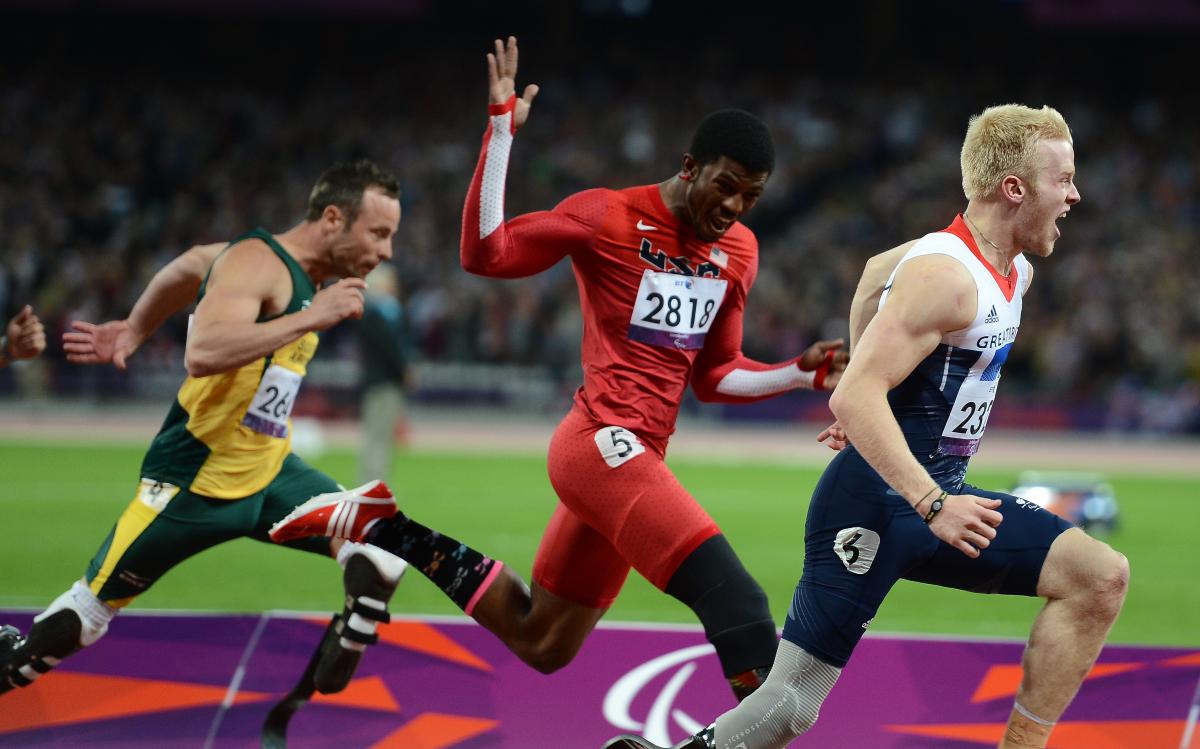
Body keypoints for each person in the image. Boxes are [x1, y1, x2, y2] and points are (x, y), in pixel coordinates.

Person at [270, 36, 847, 704]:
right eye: (724, 186)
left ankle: (388, 534)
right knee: (740, 605)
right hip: (599, 443)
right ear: (689, 167)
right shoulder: (608, 215)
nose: (733, 209)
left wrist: (798, 375)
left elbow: (714, 375)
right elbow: (486, 255)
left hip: (644, 457)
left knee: (542, 640)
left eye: (750, 196)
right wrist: (498, 133)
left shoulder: (739, 251)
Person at [605, 104, 1130, 749]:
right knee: (789, 708)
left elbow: (874, 272)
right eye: (1064, 179)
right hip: (880, 506)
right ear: (1014, 188)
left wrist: (889, 407)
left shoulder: (1008, 266)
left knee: (1098, 577)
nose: (1076, 194)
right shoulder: (947, 277)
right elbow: (852, 395)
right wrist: (924, 490)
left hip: (935, 499)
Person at [0, 160, 410, 701]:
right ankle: (13, 665)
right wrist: (311, 317)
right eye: (378, 233)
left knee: (381, 534)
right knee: (90, 612)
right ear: (333, 219)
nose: (385, 252)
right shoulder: (258, 263)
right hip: (193, 480)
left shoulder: (291, 272)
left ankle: (351, 630)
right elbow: (203, 352)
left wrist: (135, 328)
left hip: (267, 471)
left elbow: (193, 264)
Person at [356, 262, 414, 485]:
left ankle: (374, 483)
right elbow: (391, 349)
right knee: (377, 436)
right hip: (382, 382)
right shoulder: (378, 314)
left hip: (379, 381)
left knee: (379, 436)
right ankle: (372, 484)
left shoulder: (380, 312)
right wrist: (404, 371)